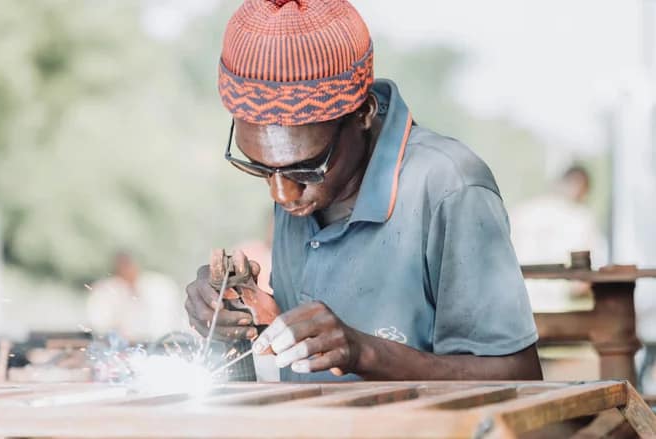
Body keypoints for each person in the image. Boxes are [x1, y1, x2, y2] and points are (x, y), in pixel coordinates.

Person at [185, 0, 542, 382]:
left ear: (364, 114)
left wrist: (365, 352)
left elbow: (520, 376)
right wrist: (245, 316)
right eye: (261, 167)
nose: (282, 195)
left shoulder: (449, 187)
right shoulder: (299, 185)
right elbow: (314, 336)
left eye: (305, 168)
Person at [510, 165, 608, 312]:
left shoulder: (522, 212)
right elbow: (583, 282)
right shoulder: (581, 218)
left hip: (521, 308)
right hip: (563, 312)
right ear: (582, 187)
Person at [86, 251, 187, 342]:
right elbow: (99, 324)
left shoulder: (159, 285)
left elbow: (170, 317)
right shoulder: (105, 290)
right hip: (123, 345)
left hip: (161, 342)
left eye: (128, 266)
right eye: (122, 269)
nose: (127, 271)